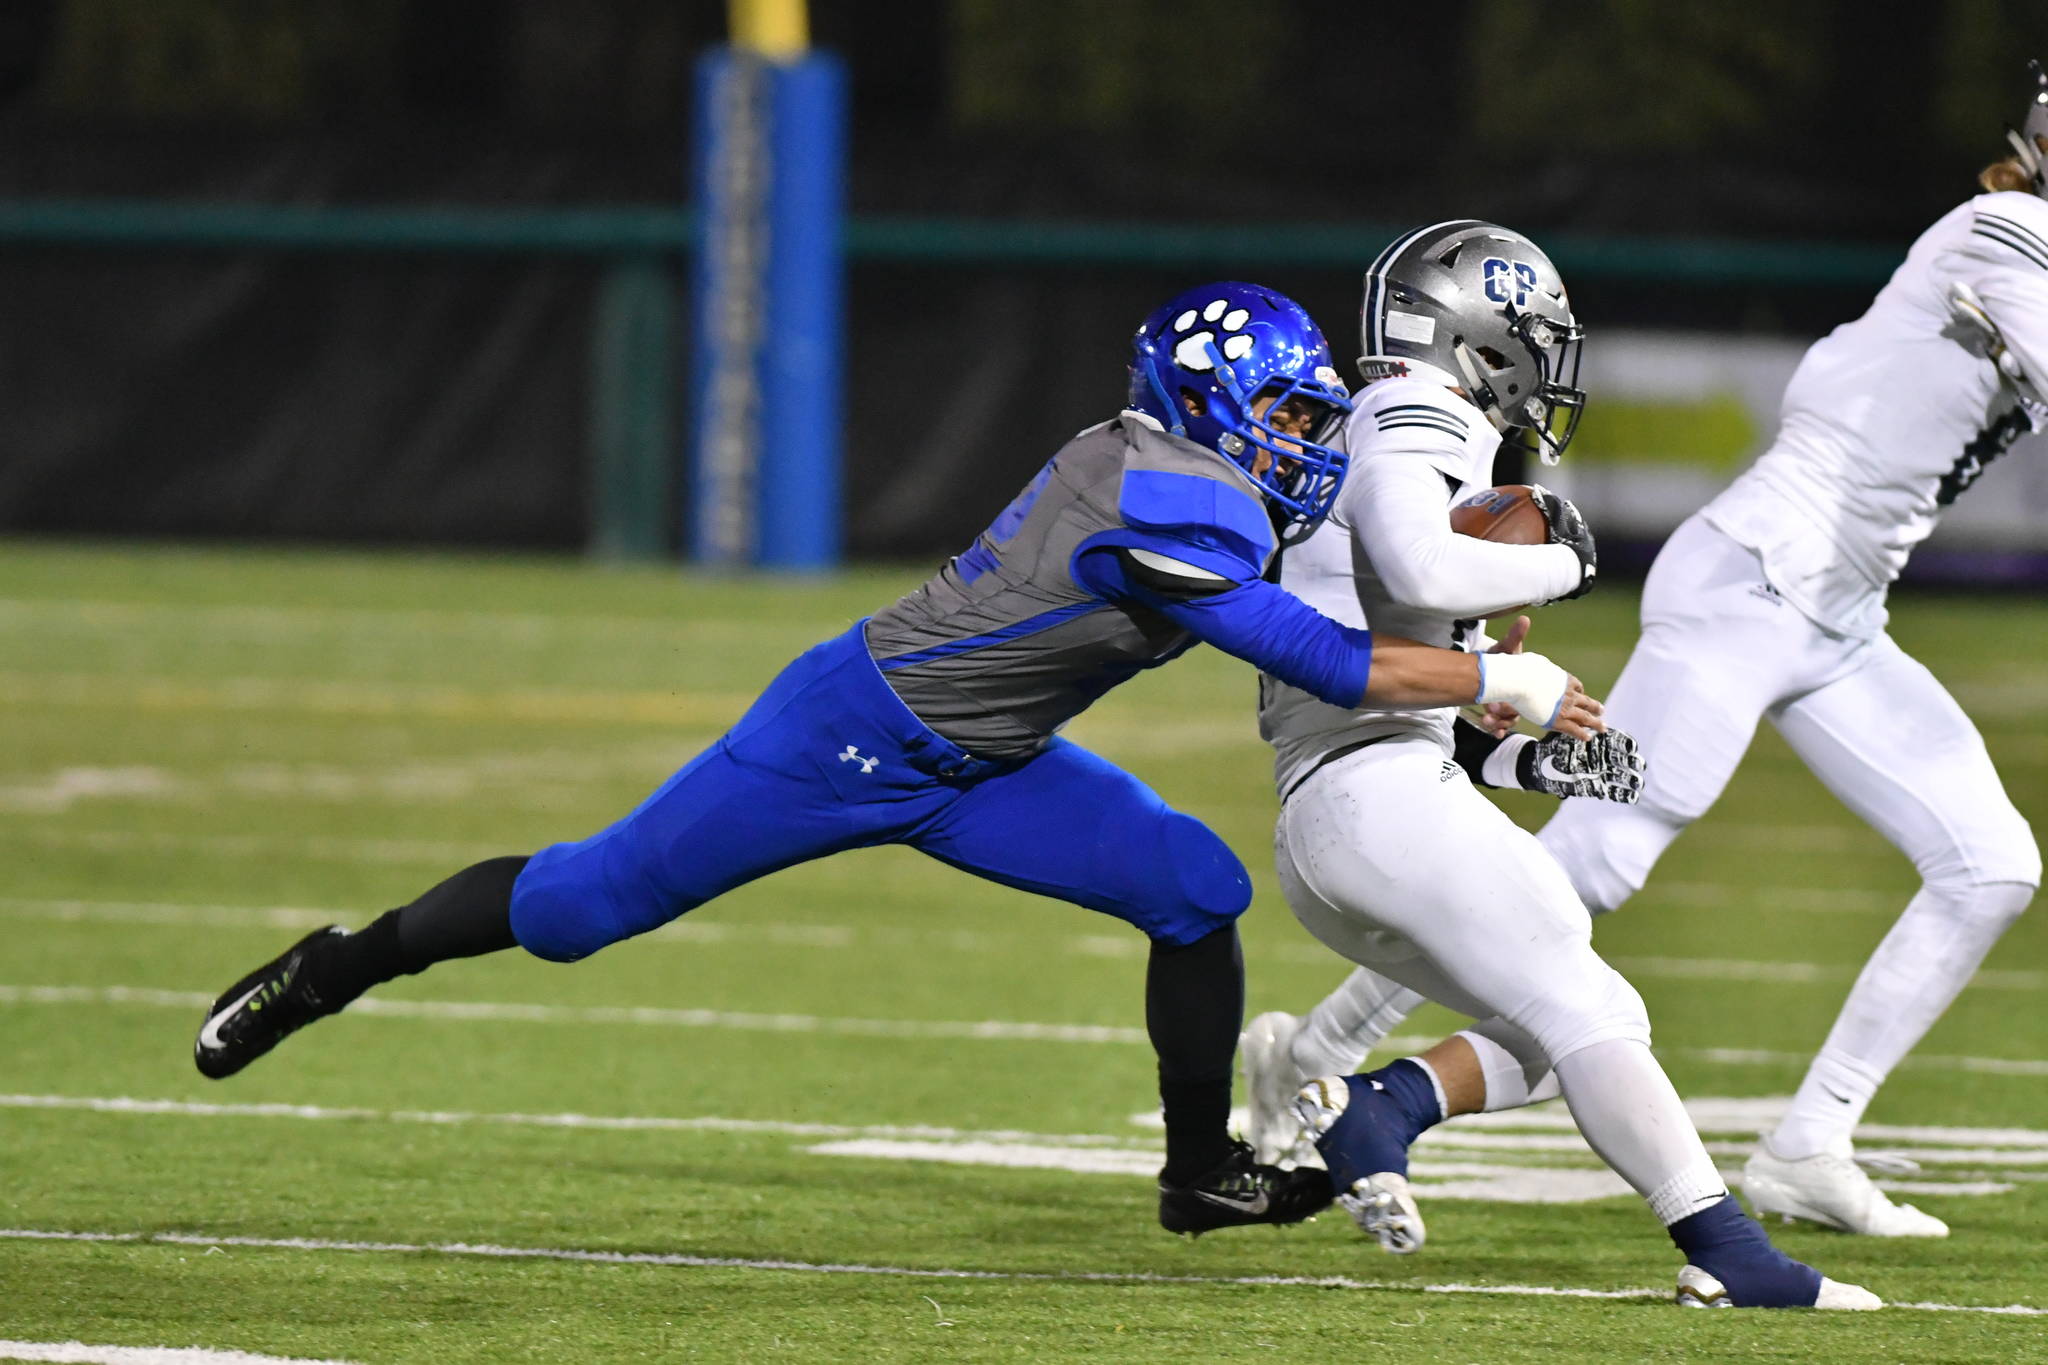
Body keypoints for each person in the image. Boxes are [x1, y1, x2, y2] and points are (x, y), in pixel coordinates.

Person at [191, 280, 1599, 1238]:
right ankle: (338, 963)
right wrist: (1501, 674)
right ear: (1215, 403)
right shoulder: (1167, 501)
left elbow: (1352, 592)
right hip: (847, 738)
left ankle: (1198, 1176)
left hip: (992, 766)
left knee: (1191, 887)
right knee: (575, 911)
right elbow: (1330, 659)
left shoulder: (1197, 474)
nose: (1309, 444)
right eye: (1289, 419)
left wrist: (1479, 580)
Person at [1247, 62, 2048, 1244]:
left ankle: (1807, 1145)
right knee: (1587, 866)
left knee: (1989, 866)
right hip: (1752, 576)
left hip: (1838, 611)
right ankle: (1329, 1076)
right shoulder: (2005, 225)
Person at [1251, 221, 1878, 1308]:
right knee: (1591, 1012)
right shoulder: (1413, 411)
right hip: (1371, 796)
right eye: (1532, 334)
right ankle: (1729, 1254)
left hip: (1350, 812)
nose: (1544, 358)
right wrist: (1563, 560)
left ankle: (1377, 1107)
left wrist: (1523, 761)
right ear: (1475, 333)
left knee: (1551, 1033)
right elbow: (1415, 563)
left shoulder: (1387, 428)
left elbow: (1395, 653)